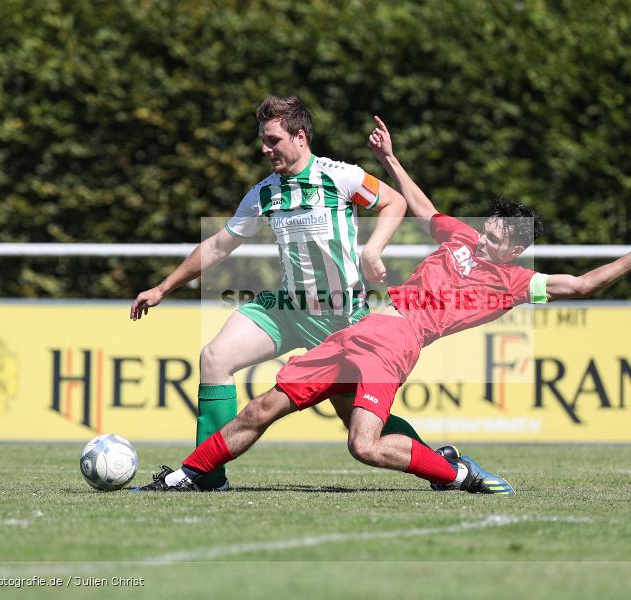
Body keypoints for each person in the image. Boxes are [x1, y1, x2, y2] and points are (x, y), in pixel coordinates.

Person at [130, 116, 631, 494]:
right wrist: (390, 158)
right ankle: (191, 474)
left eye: (501, 232)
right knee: (263, 406)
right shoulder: (461, 238)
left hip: (392, 343)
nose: (487, 234)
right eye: (490, 225)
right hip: (354, 332)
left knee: (363, 445)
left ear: (517, 246)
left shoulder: (512, 281)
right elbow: (421, 206)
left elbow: (581, 285)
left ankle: (458, 475)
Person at [130, 97, 432, 491]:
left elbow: (394, 201)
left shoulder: (340, 177)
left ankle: (438, 462)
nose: (264, 148)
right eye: (263, 140)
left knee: (355, 417)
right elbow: (220, 245)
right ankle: (206, 474)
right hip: (287, 308)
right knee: (215, 357)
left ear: (300, 136)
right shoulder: (264, 193)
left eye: (272, 140)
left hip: (341, 317)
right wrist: (163, 287)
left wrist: (373, 249)